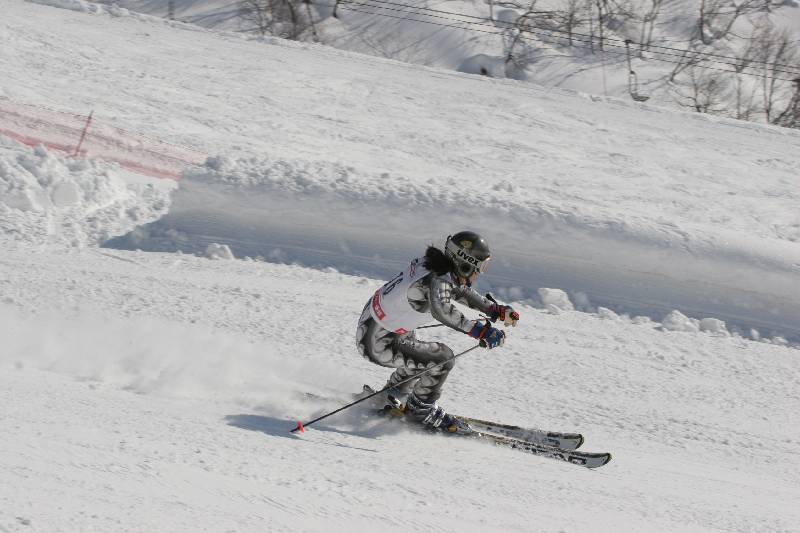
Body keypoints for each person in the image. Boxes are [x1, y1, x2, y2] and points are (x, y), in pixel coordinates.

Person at [355, 231, 520, 433]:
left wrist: (494, 310)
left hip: (378, 327)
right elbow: (442, 310)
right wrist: (480, 331)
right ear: (465, 264)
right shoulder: (436, 281)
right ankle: (420, 411)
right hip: (377, 342)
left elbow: (456, 290)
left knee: (422, 356)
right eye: (480, 267)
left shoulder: (435, 269)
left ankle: (395, 392)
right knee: (442, 359)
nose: (480, 273)